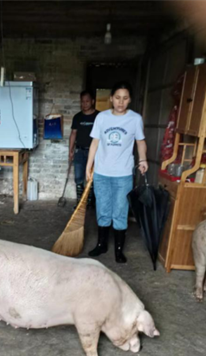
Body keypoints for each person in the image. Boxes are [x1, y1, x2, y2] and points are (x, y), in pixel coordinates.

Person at [85, 81, 148, 263]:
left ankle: (119, 250)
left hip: (123, 174)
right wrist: (89, 166)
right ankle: (101, 244)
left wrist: (143, 159)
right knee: (103, 209)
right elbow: (95, 142)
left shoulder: (135, 119)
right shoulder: (102, 117)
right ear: (111, 98)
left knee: (120, 211)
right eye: (118, 98)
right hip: (102, 172)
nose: (121, 102)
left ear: (130, 100)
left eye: (125, 98)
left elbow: (140, 142)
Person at [68, 90, 98, 206]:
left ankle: (90, 203)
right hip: (79, 151)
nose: (84, 104)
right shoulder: (77, 117)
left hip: (95, 152)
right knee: (79, 177)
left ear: (92, 101)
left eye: (87, 101)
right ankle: (80, 203)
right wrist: (70, 151)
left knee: (92, 178)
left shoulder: (99, 116)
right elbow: (73, 134)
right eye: (82, 101)